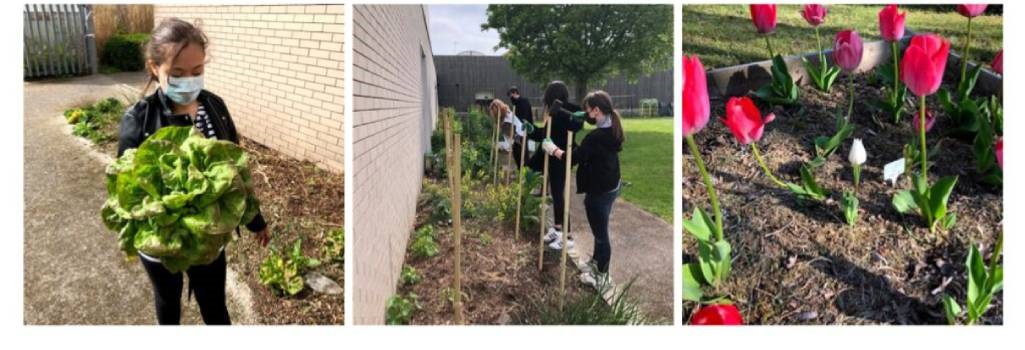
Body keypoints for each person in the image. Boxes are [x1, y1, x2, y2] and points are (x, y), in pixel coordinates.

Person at [117, 18, 271, 325]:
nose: (189, 81)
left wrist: (256, 222)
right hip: (164, 243)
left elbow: (236, 174)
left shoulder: (215, 107)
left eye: (197, 72)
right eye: (177, 74)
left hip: (208, 241)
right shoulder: (138, 120)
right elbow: (127, 189)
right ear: (154, 68)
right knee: (167, 302)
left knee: (214, 305)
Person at [541, 90, 624, 289]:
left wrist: (553, 149)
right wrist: (577, 116)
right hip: (612, 184)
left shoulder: (595, 137)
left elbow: (575, 157)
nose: (586, 114)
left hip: (600, 190)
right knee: (599, 230)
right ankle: (596, 263)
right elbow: (590, 149)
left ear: (596, 110)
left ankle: (602, 276)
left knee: (601, 234)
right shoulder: (613, 126)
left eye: (588, 111)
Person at [526, 81, 584, 251]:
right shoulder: (552, 111)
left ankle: (567, 235)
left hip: (561, 157)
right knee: (555, 194)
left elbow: (577, 125)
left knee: (559, 194)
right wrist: (532, 131)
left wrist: (563, 112)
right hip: (551, 157)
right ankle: (558, 229)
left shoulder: (570, 109)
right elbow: (545, 135)